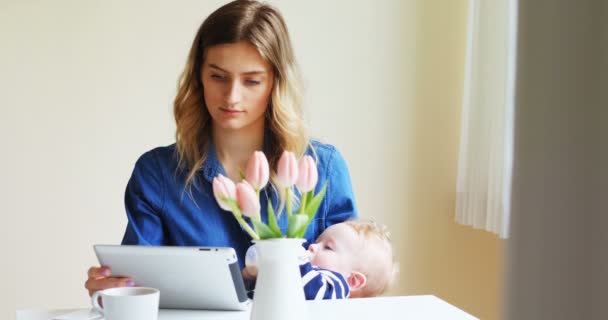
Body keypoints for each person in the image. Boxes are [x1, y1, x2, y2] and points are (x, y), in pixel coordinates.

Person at [85, 0, 358, 296]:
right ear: (199, 76)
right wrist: (112, 293)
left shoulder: (322, 168)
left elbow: (356, 285)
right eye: (218, 76)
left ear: (275, 83)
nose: (231, 96)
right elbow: (137, 289)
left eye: (252, 81)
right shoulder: (157, 174)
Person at [244, 220, 396, 300]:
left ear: (352, 281)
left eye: (328, 247)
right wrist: (253, 276)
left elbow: (310, 288)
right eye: (317, 242)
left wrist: (290, 253)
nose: (312, 247)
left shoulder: (335, 287)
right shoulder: (308, 274)